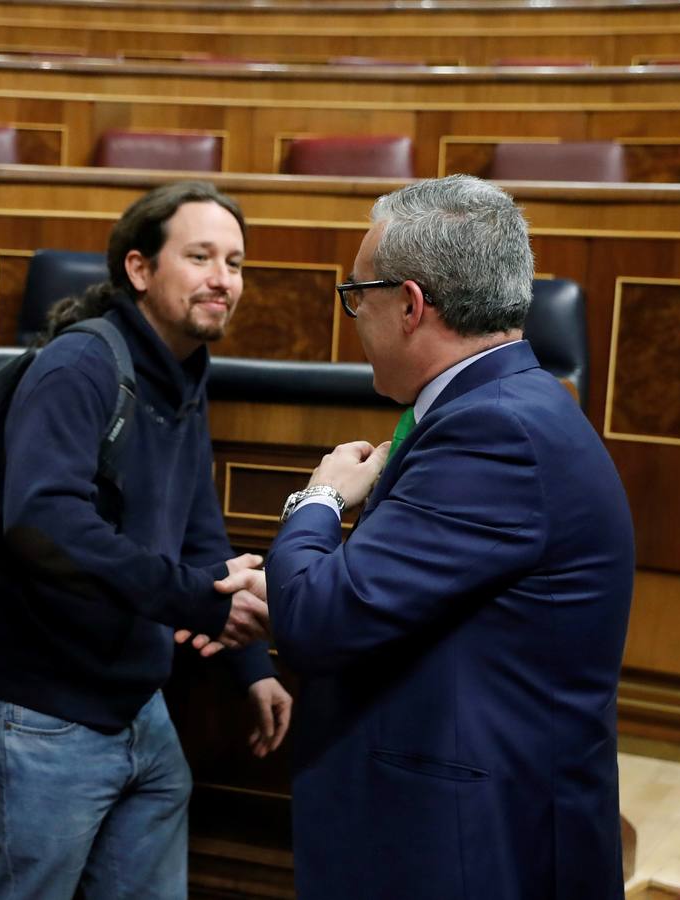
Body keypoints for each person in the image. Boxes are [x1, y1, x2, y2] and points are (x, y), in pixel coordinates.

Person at [263, 175, 635, 899]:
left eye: (356, 296)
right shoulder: (506, 406)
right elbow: (419, 591)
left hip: (469, 844)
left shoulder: (493, 430)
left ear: (408, 305)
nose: (353, 317)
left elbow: (316, 622)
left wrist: (319, 498)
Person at [0, 180, 292, 900]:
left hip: (140, 707)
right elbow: (44, 525)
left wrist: (252, 668)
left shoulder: (184, 369)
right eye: (201, 256)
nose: (223, 280)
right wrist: (199, 606)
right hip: (44, 714)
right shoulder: (80, 366)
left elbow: (198, 525)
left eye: (235, 262)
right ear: (140, 270)